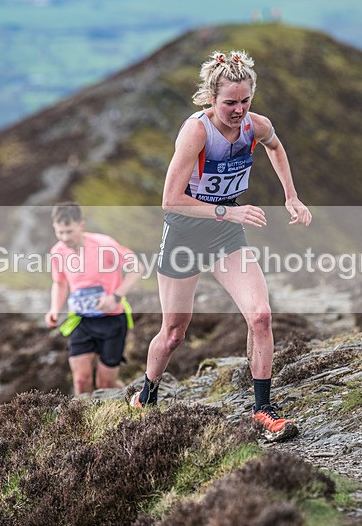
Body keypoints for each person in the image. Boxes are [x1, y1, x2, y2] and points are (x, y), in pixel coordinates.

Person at [130, 50, 312, 443]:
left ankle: (263, 410)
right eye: (230, 102)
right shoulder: (196, 132)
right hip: (184, 232)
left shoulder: (255, 125)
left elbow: (276, 147)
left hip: (226, 234)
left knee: (261, 316)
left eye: (245, 101)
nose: (238, 110)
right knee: (175, 333)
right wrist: (228, 213)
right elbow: (170, 200)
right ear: (210, 99)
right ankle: (147, 394)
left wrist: (291, 197)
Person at [44, 202, 143, 395]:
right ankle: (82, 422)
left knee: (105, 383)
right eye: (60, 232)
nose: (64, 238)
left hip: (112, 320)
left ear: (82, 225)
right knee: (81, 380)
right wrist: (54, 309)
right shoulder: (57, 252)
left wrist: (115, 296)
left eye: (69, 232)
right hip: (81, 321)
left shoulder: (104, 245)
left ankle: (135, 401)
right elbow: (60, 283)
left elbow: (137, 268)